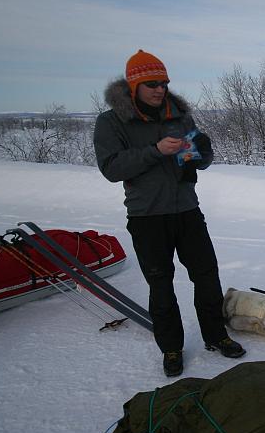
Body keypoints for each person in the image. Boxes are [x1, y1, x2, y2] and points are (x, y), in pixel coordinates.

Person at [94, 49, 245, 377]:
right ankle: (171, 348)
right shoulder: (111, 122)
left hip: (187, 210)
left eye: (163, 82)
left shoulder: (179, 115)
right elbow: (111, 167)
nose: (159, 89)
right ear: (134, 86)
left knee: (206, 275)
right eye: (151, 83)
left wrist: (201, 154)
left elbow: (200, 159)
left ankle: (216, 335)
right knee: (160, 283)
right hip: (147, 216)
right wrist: (155, 151)